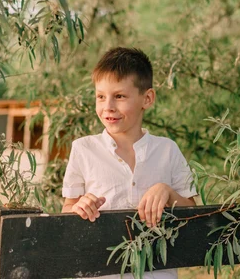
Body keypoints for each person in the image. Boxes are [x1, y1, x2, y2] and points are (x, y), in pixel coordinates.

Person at [62, 47, 197, 279]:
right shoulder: (83, 149)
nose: (108, 107)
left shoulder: (167, 150)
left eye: (120, 96)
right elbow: (67, 209)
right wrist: (79, 208)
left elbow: (193, 213)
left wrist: (166, 191)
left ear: (147, 98)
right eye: (101, 96)